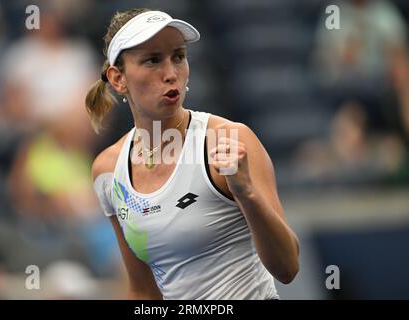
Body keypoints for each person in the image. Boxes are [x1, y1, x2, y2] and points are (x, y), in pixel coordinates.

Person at [87, 8, 299, 300]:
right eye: (152, 60)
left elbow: (288, 268)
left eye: (178, 56)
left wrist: (247, 193)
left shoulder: (230, 139)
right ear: (118, 78)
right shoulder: (107, 171)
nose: (171, 74)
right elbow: (143, 292)